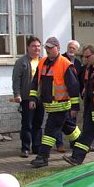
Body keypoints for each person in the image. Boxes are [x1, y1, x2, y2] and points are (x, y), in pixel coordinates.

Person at [28, 37, 81, 168]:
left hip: (61, 105)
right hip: (50, 106)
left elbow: (73, 87)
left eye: (51, 48)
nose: (48, 50)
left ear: (58, 48)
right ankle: (82, 145)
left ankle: (43, 157)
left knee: (50, 131)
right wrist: (33, 98)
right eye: (46, 48)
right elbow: (35, 82)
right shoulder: (42, 63)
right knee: (69, 128)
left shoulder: (65, 64)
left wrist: (75, 107)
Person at [12, 36, 44, 157]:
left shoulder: (43, 61)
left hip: (40, 97)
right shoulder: (22, 62)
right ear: (28, 47)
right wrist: (17, 94)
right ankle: (25, 148)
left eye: (38, 46)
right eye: (34, 46)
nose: (36, 48)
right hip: (26, 97)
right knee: (27, 124)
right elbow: (16, 79)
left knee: (38, 124)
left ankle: (37, 147)